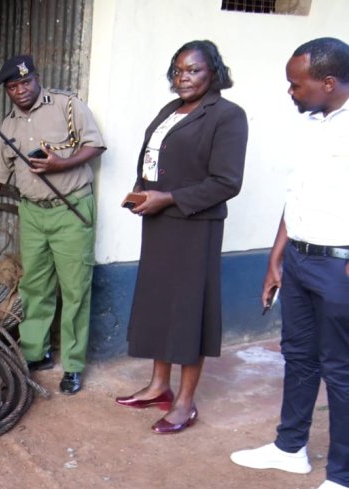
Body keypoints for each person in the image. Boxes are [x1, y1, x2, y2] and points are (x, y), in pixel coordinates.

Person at [230, 37, 349, 489]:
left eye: (296, 85)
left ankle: (342, 476)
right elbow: (296, 195)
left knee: (341, 370)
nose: (291, 92)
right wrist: (275, 258)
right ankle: (289, 448)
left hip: (340, 267)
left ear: (329, 81)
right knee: (298, 357)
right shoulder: (313, 124)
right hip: (298, 258)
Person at [114, 40, 247, 433]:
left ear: (214, 73)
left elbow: (227, 181)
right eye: (178, 70)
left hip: (195, 226)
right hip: (159, 222)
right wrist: (142, 191)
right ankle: (159, 386)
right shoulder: (170, 110)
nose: (183, 78)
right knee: (159, 304)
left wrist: (167, 197)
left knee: (189, 311)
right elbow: (155, 159)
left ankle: (185, 403)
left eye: (193, 70)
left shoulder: (227, 115)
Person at [0, 55, 106, 395]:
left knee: (75, 288)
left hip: (70, 209)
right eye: (13, 86)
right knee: (35, 285)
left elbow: (96, 145)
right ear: (7, 91)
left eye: (25, 82)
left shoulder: (68, 106)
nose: (21, 90)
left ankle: (75, 365)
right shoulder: (8, 127)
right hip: (33, 213)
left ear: (37, 78)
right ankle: (37, 352)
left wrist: (61, 164)